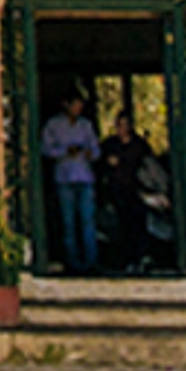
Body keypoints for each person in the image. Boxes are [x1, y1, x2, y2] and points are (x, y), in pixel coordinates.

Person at [40, 94, 100, 274]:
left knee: (88, 221)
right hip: (65, 179)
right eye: (75, 105)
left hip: (85, 178)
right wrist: (65, 151)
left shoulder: (86, 126)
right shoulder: (53, 125)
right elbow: (44, 149)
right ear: (66, 104)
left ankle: (91, 262)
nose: (78, 109)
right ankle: (72, 263)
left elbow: (96, 149)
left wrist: (90, 153)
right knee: (68, 223)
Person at [100, 113, 151, 273]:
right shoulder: (110, 145)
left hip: (137, 191)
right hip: (117, 191)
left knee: (139, 223)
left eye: (124, 125)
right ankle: (126, 259)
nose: (121, 129)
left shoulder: (139, 145)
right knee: (123, 225)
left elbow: (149, 166)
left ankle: (142, 256)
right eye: (119, 125)